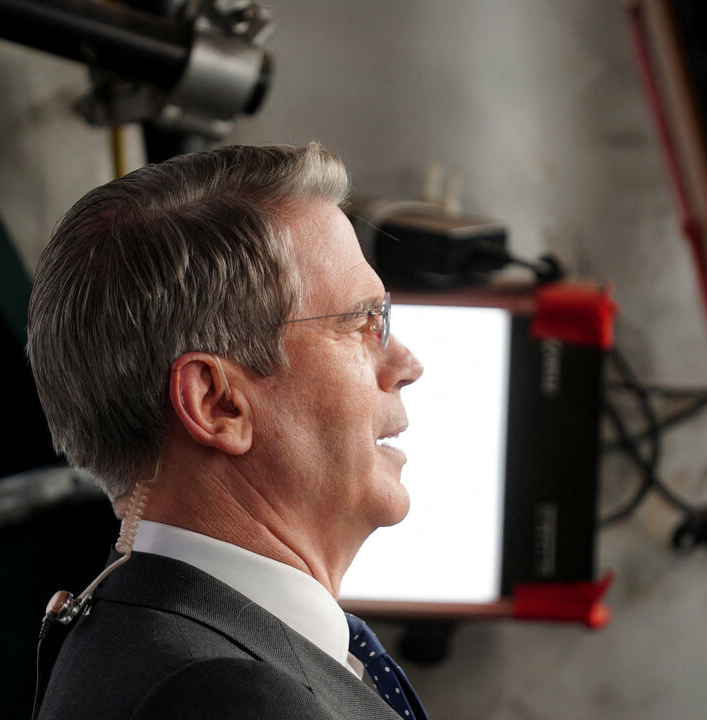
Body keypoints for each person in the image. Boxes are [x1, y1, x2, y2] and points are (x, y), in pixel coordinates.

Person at [26, 143, 426, 719]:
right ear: (217, 404)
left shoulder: (135, 636)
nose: (408, 364)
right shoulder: (229, 698)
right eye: (364, 324)